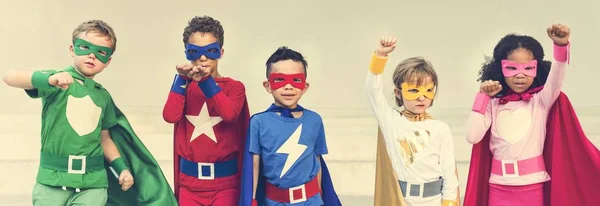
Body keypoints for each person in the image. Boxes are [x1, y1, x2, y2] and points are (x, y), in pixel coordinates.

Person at [2, 20, 175, 206]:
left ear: (107, 61)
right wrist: (49, 79)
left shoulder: (102, 96)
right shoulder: (56, 81)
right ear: (72, 49)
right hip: (52, 181)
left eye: (101, 52)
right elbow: (9, 77)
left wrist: (122, 169)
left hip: (92, 183)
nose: (92, 55)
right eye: (85, 47)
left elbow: (105, 138)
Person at [464, 24, 600, 206]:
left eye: (528, 68)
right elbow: (472, 136)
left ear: (538, 68)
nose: (520, 75)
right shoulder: (493, 104)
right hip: (498, 186)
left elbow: (557, 76)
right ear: (500, 69)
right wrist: (482, 97)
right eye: (512, 68)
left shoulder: (541, 101)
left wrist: (560, 46)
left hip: (533, 186)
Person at [162, 15, 251, 205]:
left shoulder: (234, 87)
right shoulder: (184, 86)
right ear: (186, 52)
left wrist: (204, 81)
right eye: (195, 52)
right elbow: (170, 116)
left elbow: (229, 114)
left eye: (210, 51)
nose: (203, 58)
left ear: (221, 52)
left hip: (225, 185)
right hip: (189, 184)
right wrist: (181, 80)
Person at [239, 46, 341, 206]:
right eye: (280, 80)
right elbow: (254, 166)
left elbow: (317, 161)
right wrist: (251, 200)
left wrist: (321, 196)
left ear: (305, 86)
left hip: (311, 200)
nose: (288, 87)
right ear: (268, 85)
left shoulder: (314, 120)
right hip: (275, 201)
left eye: (296, 80)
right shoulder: (258, 122)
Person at [365, 36, 460, 206]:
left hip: (434, 201)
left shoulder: (440, 129)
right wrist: (380, 56)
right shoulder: (391, 121)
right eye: (414, 90)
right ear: (398, 92)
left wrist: (449, 203)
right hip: (401, 200)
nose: (422, 97)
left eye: (428, 90)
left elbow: (449, 175)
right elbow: (372, 90)